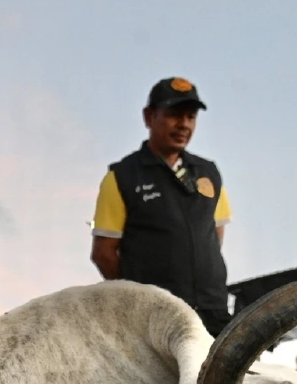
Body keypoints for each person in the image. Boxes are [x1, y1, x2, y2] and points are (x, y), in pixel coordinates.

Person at [89, 77, 234, 336]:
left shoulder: (208, 172)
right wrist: (141, 298)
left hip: (214, 312)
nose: (184, 125)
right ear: (149, 117)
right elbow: (103, 253)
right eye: (174, 115)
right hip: (155, 319)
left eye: (191, 117)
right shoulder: (122, 177)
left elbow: (214, 236)